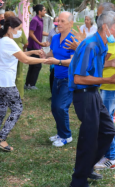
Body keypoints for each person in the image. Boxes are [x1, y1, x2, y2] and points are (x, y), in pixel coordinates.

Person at [68, 11, 115, 187]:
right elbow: (79, 78)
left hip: (93, 93)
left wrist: (112, 63)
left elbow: (93, 65)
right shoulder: (91, 45)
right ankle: (78, 180)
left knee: (108, 131)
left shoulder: (101, 44)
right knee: (89, 138)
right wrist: (109, 79)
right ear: (106, 27)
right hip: (84, 94)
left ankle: (86, 167)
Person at [0, 16, 47, 151]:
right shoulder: (8, 41)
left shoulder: (3, 39)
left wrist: (33, 52)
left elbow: (19, 55)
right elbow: (25, 60)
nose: (20, 31)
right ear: (10, 28)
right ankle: (1, 139)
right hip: (5, 83)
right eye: (19, 29)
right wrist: (44, 61)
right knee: (17, 108)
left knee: (1, 110)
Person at [94, 12, 115, 170]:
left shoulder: (112, 37)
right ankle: (110, 152)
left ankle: (111, 157)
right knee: (106, 121)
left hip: (111, 86)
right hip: (109, 85)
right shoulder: (111, 36)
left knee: (106, 123)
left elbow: (103, 62)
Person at [45, 12, 76, 147]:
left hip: (68, 78)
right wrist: (44, 55)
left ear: (70, 23)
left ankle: (66, 136)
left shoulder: (73, 40)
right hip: (57, 77)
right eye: (58, 21)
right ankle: (60, 133)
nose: (59, 24)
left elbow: (73, 61)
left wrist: (57, 62)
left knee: (61, 107)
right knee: (54, 107)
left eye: (63, 21)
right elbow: (51, 53)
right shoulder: (56, 38)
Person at [4, 11, 29, 100]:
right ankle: (19, 95)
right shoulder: (19, 29)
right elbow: (26, 42)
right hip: (19, 51)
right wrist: (24, 50)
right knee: (19, 74)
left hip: (7, 54)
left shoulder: (3, 30)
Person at [25, 4, 50, 90]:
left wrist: (51, 34)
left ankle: (28, 84)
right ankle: (31, 85)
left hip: (37, 45)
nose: (45, 12)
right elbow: (31, 33)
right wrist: (39, 43)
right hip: (33, 46)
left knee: (33, 65)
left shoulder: (40, 20)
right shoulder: (35, 20)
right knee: (37, 65)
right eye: (44, 10)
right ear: (40, 11)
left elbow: (39, 32)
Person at [47, 17, 59, 94]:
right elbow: (48, 42)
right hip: (53, 56)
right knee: (52, 75)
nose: (57, 23)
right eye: (56, 22)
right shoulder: (52, 33)